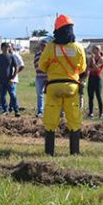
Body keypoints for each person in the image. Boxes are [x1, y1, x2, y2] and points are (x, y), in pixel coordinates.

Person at [39, 15, 87, 156]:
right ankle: (74, 152)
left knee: (51, 119)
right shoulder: (78, 47)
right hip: (72, 86)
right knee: (74, 119)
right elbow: (83, 68)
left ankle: (49, 152)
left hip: (53, 86)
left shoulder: (50, 47)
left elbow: (42, 66)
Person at [0, 42, 21, 116]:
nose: (7, 48)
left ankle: (16, 110)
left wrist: (13, 78)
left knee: (13, 95)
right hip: (1, 80)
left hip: (9, 80)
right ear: (1, 48)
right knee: (2, 96)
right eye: (5, 47)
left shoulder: (12, 57)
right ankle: (5, 110)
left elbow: (16, 67)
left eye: (8, 47)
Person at [87, 45, 103, 119]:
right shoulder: (91, 58)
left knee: (98, 96)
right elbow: (88, 68)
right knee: (90, 96)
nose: (92, 51)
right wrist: (92, 67)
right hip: (91, 78)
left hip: (97, 78)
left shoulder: (101, 59)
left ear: (98, 50)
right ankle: (91, 113)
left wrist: (93, 61)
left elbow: (97, 68)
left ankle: (101, 113)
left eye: (94, 49)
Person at [33, 39, 49, 118]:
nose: (42, 47)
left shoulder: (49, 54)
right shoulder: (37, 55)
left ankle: (49, 111)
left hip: (48, 77)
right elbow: (35, 64)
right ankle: (40, 111)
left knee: (50, 94)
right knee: (39, 95)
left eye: (44, 46)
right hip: (39, 77)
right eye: (41, 45)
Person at [8, 43, 25, 115]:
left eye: (9, 47)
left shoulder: (16, 55)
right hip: (6, 77)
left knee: (13, 93)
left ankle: (15, 108)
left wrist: (16, 73)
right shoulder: (6, 55)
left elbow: (22, 65)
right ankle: (10, 107)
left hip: (13, 78)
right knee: (9, 93)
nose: (8, 48)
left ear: (12, 47)